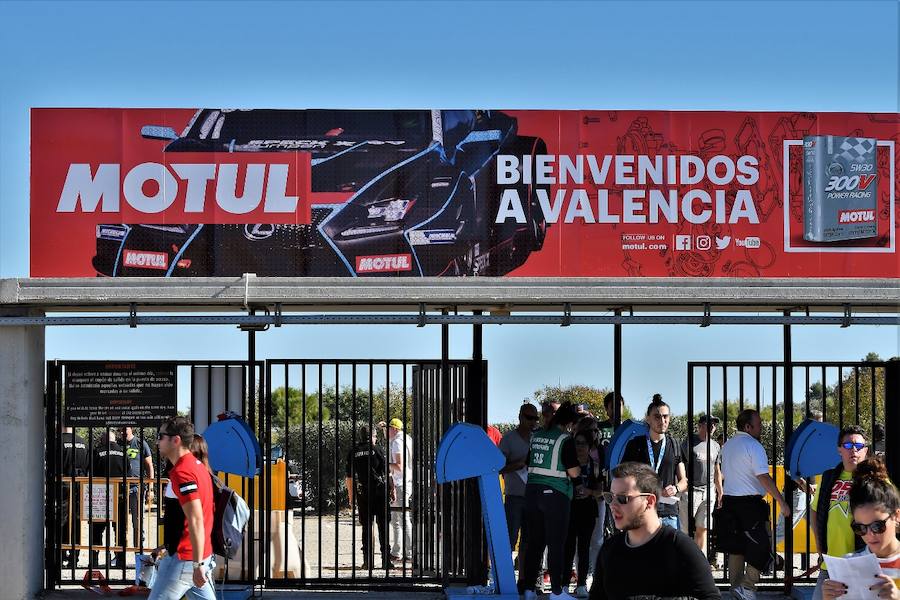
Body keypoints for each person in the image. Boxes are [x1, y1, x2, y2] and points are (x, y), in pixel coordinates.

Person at [589, 461, 720, 600]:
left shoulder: (680, 547)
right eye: (610, 497)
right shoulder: (610, 549)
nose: (613, 505)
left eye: (623, 498)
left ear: (650, 501)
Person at [716, 409, 791, 600]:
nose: (762, 427)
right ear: (748, 427)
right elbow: (763, 477)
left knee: (736, 547)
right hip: (750, 504)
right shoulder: (753, 446)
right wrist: (781, 502)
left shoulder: (727, 446)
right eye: (759, 424)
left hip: (730, 501)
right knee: (763, 545)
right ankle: (748, 587)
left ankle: (736, 589)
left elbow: (723, 473)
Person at [517, 401, 581, 600]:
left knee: (535, 543)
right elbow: (573, 471)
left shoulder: (536, 436)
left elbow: (528, 463)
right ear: (570, 422)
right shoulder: (565, 439)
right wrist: (579, 474)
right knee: (556, 544)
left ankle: (528, 590)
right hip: (556, 496)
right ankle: (556, 592)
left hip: (532, 494)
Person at [149, 416, 216, 600]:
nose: (157, 441)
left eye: (161, 436)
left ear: (176, 440)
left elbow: (195, 519)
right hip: (198, 555)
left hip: (184, 559)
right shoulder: (197, 467)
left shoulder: (182, 472)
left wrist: (197, 565)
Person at [821, 457, 900, 600]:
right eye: (860, 528)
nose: (869, 535)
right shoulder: (849, 565)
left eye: (877, 526)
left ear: (896, 516)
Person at [810, 425, 870, 600]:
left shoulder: (875, 479)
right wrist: (819, 543)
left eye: (858, 446)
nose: (854, 451)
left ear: (865, 451)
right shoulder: (829, 477)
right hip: (830, 565)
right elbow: (814, 511)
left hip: (861, 564)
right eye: (848, 446)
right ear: (839, 449)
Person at [621, 396, 687, 530]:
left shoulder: (674, 445)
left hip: (668, 514)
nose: (662, 421)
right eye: (657, 417)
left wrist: (676, 488)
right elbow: (623, 476)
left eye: (665, 416)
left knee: (667, 551)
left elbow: (684, 481)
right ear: (648, 419)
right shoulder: (636, 444)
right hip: (642, 511)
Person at [345, 425, 393, 569]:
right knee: (383, 526)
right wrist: (392, 489)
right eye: (375, 436)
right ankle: (385, 561)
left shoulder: (353, 452)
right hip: (379, 492)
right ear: (372, 436)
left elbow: (349, 478)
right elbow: (387, 473)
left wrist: (351, 497)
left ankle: (368, 562)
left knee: (366, 527)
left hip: (363, 493)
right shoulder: (377, 449)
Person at [564, 430, 602, 598]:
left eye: (583, 443)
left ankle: (581, 585)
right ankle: (564, 584)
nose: (579, 447)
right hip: (569, 510)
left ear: (589, 447)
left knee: (584, 548)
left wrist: (589, 492)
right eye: (576, 443)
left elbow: (601, 491)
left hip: (587, 511)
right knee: (568, 547)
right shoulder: (567, 464)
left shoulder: (595, 465)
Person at [680, 414, 723, 561]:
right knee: (685, 530)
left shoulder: (716, 446)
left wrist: (720, 492)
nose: (712, 426)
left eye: (714, 424)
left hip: (709, 492)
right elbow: (680, 465)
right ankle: (683, 562)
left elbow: (717, 469)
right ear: (700, 425)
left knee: (703, 528)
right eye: (709, 423)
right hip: (690, 491)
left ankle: (700, 563)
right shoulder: (689, 442)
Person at [500, 403, 539, 550]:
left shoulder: (537, 438)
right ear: (520, 417)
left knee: (529, 541)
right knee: (510, 538)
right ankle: (506, 572)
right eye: (529, 418)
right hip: (514, 497)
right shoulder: (508, 439)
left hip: (533, 497)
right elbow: (497, 468)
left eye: (535, 418)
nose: (533, 422)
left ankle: (525, 573)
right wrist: (517, 465)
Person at [89, 428, 127, 568]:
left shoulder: (97, 452)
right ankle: (120, 560)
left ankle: (94, 560)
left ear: (103, 440)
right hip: (120, 495)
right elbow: (128, 471)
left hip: (101, 496)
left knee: (97, 530)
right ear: (115, 439)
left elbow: (90, 471)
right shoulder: (123, 452)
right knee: (120, 529)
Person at [120, 426, 155, 555]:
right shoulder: (118, 444)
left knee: (137, 521)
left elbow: (149, 465)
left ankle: (138, 552)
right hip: (120, 487)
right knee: (120, 523)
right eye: (121, 429)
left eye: (126, 428)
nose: (123, 431)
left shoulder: (140, 442)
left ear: (132, 429)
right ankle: (120, 555)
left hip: (137, 487)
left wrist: (151, 488)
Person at [385, 417, 413, 564]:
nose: (387, 431)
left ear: (395, 429)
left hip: (401, 483)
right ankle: (404, 552)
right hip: (407, 482)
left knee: (399, 520)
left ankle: (401, 553)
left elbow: (399, 466)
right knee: (401, 519)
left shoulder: (397, 442)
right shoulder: (407, 439)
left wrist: (385, 464)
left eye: (388, 428)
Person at [61, 426, 90, 568]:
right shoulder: (83, 442)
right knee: (76, 520)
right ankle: (74, 557)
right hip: (80, 484)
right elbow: (88, 465)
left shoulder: (58, 441)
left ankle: (60, 555)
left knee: (61, 519)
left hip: (63, 484)